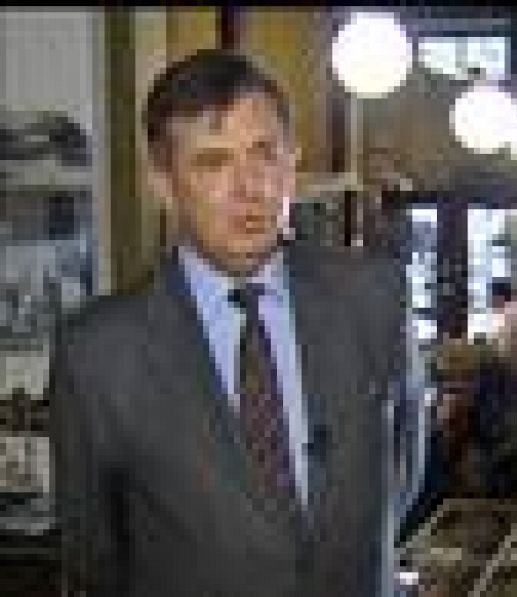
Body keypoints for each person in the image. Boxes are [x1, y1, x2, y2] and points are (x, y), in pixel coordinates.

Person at [47, 49, 406, 597]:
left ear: (292, 161)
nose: (250, 188)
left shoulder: (374, 298)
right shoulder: (98, 353)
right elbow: (95, 560)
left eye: (265, 153)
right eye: (213, 163)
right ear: (163, 184)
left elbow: (401, 473)